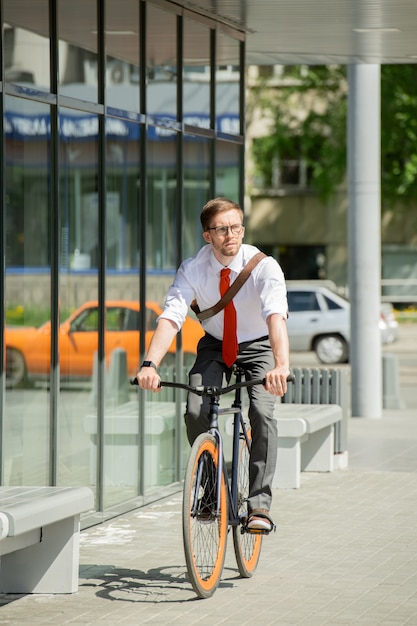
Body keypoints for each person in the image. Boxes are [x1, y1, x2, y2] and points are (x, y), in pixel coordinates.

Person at [136, 197, 290, 533]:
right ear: (208, 235)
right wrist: (150, 364)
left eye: (236, 227)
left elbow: (275, 316)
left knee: (262, 413)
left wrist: (281, 364)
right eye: (222, 229)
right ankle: (210, 490)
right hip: (215, 345)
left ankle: (259, 505)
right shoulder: (193, 269)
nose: (231, 235)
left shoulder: (264, 267)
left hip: (260, 343)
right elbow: (171, 318)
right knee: (195, 410)